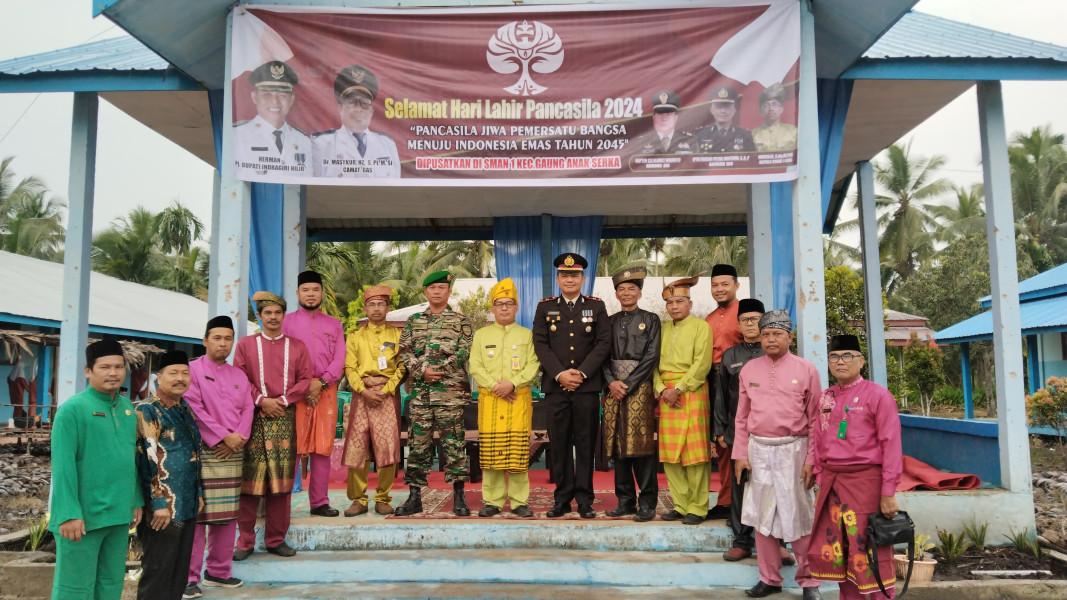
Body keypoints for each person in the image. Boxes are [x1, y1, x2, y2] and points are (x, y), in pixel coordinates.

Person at [733, 310, 822, 599]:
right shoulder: (749, 370)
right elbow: (741, 417)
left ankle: (810, 582)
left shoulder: (807, 369)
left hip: (794, 450)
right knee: (763, 516)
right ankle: (769, 578)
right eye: (766, 334)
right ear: (759, 337)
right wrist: (740, 455)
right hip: (757, 450)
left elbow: (815, 420)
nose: (771, 339)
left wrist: (811, 460)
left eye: (777, 334)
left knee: (798, 515)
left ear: (789, 337)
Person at [807, 335, 903, 599]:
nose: (840, 362)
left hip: (866, 484)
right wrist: (818, 482)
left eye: (848, 356)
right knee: (840, 550)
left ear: (861, 360)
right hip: (832, 485)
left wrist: (889, 491)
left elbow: (891, 444)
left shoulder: (878, 395)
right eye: (834, 357)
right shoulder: (826, 397)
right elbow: (818, 441)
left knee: (870, 547)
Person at [49, 340, 142, 600]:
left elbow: (129, 459)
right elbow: (62, 466)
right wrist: (68, 513)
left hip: (118, 515)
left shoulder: (126, 408)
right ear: (88, 371)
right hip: (81, 519)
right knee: (75, 589)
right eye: (104, 367)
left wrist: (135, 500)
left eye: (118, 367)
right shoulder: (72, 410)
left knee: (110, 585)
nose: (113, 372)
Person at [232, 292, 313, 560]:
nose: (273, 317)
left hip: (285, 416)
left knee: (281, 483)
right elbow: (240, 378)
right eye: (267, 313)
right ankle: (244, 542)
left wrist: (282, 400)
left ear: (283, 315)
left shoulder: (298, 346)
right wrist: (261, 401)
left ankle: (276, 539)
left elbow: (305, 379)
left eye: (278, 312)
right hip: (252, 418)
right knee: (250, 483)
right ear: (260, 316)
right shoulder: (245, 345)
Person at [532, 253, 611, 519]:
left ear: (583, 279)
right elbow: (540, 344)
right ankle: (562, 499)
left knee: (587, 444)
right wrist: (560, 374)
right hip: (556, 389)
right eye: (565, 275)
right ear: (558, 278)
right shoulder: (545, 307)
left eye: (574, 275)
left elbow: (603, 343)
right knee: (560, 444)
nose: (569, 279)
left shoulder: (596, 306)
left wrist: (582, 373)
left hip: (586, 388)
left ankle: (585, 500)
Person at [395, 271, 474, 517]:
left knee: (454, 446)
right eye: (432, 288)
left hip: (450, 395)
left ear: (449, 291)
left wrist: (440, 369)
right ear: (426, 292)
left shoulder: (462, 320)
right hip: (421, 395)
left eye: (442, 287)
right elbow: (404, 351)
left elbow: (465, 350)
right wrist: (422, 370)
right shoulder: (413, 320)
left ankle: (459, 497)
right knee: (418, 446)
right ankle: (414, 497)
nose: (437, 292)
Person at [184, 316, 253, 598]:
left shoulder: (239, 374)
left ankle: (219, 571)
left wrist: (238, 439)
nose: (223, 343)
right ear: (205, 340)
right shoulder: (191, 370)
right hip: (204, 451)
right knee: (199, 515)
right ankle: (189, 577)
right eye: (217, 338)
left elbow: (248, 409)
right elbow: (194, 408)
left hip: (233, 453)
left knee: (227, 515)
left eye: (228, 338)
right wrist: (223, 436)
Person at [134, 351, 204, 600]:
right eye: (173, 373)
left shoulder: (185, 409)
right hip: (162, 511)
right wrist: (159, 502)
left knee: (179, 574)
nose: (180, 378)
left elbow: (194, 454)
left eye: (185, 373)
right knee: (158, 571)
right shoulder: (148, 410)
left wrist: (199, 493)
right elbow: (147, 459)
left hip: (187, 505)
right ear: (158, 377)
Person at [470, 278, 541, 517]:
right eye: (499, 303)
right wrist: (494, 386)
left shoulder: (527, 335)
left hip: (518, 399)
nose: (503, 308)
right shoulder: (481, 335)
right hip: (490, 401)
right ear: (492, 308)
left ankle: (520, 501)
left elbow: (533, 365)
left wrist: (512, 383)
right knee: (491, 452)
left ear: (516, 307)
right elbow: (475, 367)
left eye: (509, 303)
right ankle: (493, 500)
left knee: (518, 452)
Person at [282, 270, 346, 518]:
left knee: (322, 448)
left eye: (315, 290)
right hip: (295, 392)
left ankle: (319, 502)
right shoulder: (286, 322)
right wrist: (302, 385)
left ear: (322, 293)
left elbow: (339, 358)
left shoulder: (334, 324)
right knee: (292, 448)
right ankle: (281, 504)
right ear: (298, 293)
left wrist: (321, 381)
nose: (310, 294)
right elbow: (283, 357)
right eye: (305, 290)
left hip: (326, 390)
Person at [602, 267, 661, 522]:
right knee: (617, 446)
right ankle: (625, 501)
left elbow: (652, 356)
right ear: (616, 294)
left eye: (631, 289)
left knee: (642, 445)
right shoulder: (608, 321)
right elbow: (600, 356)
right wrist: (611, 382)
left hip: (640, 389)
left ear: (639, 292)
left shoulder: (651, 319)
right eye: (621, 289)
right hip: (613, 388)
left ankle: (647, 503)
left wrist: (629, 383)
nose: (626, 293)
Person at [341, 285, 405, 517]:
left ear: (388, 308)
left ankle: (382, 498)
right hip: (362, 394)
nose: (376, 308)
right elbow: (349, 366)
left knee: (388, 445)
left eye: (381, 304)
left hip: (388, 395)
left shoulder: (397, 335)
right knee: (358, 447)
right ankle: (358, 499)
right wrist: (362, 390)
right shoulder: (355, 336)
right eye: (371, 304)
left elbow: (402, 366)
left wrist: (387, 390)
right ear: (365, 308)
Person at [654, 276, 713, 525]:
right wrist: (659, 388)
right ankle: (680, 504)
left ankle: (698, 508)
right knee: (670, 455)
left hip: (693, 391)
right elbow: (651, 363)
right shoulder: (661, 329)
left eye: (679, 301)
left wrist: (678, 389)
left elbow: (702, 364)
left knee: (695, 454)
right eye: (670, 302)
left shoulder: (702, 327)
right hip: (665, 394)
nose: (674, 306)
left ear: (690, 303)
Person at [716, 299, 771, 561]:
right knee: (740, 486)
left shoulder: (773, 352)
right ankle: (742, 540)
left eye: (755, 319)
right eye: (745, 319)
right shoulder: (730, 355)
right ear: (738, 324)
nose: (750, 324)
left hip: (770, 435)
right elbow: (722, 397)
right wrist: (720, 430)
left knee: (771, 487)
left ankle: (777, 540)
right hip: (739, 434)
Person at [705, 263, 745, 521]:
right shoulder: (708, 318)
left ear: (736, 286)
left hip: (739, 380)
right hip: (712, 379)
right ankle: (726, 499)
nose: (720, 289)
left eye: (725, 284)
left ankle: (741, 503)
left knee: (739, 440)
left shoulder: (747, 312)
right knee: (720, 442)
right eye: (715, 285)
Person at [312, 65, 401, 178]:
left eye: (364, 103)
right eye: (352, 102)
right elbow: (314, 188)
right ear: (340, 109)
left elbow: (396, 188)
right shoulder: (322, 144)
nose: (358, 109)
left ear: (372, 111)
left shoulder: (387, 144)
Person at [233, 60, 311, 179]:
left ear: (291, 99)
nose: (275, 102)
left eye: (282, 95)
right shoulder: (236, 136)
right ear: (254, 97)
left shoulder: (304, 142)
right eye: (267, 95)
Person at [629, 90, 694, 154]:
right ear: (653, 117)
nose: (664, 118)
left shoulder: (689, 140)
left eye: (668, 113)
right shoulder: (641, 142)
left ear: (675, 118)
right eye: (660, 113)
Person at [694, 86, 756, 153]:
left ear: (734, 110)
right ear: (711, 110)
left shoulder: (745, 135)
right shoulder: (700, 134)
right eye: (719, 107)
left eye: (727, 107)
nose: (723, 111)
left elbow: (751, 161)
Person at [752, 83, 797, 152]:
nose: (771, 109)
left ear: (781, 109)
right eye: (766, 105)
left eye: (774, 104)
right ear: (760, 111)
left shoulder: (793, 132)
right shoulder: (753, 135)